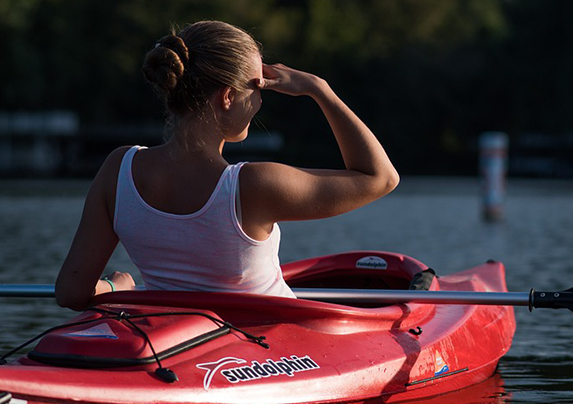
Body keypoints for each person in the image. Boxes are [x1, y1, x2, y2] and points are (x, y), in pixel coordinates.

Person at [55, 20, 399, 310]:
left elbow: (72, 292)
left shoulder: (119, 169)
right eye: (258, 85)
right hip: (268, 356)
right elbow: (380, 177)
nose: (262, 98)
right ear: (228, 97)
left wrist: (118, 290)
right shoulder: (253, 185)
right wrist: (319, 90)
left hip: (182, 350)